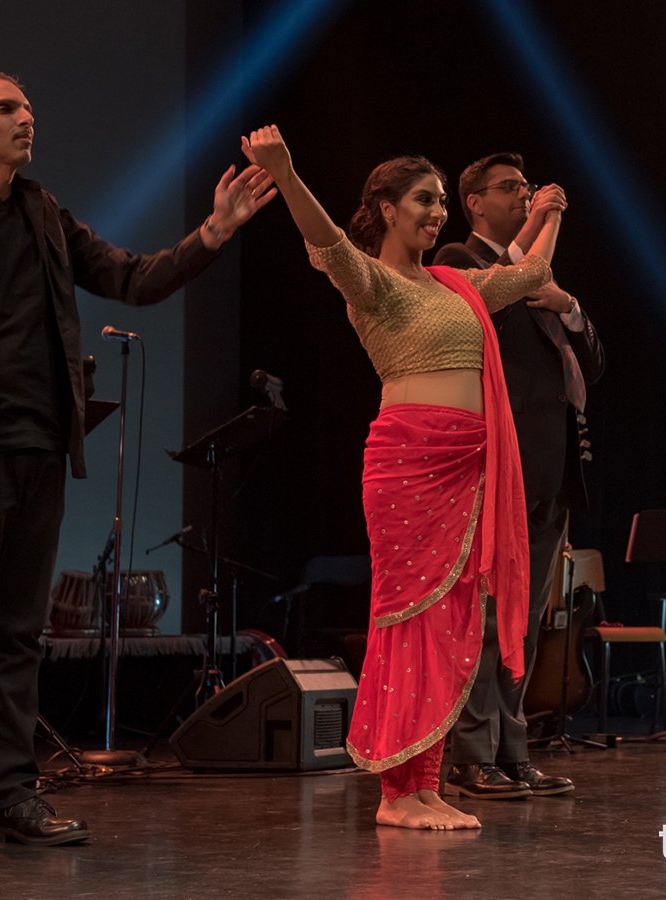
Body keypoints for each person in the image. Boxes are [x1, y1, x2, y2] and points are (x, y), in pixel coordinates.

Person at [0, 73, 275, 856]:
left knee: (17, 636)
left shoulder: (44, 214)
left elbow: (131, 276)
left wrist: (213, 234)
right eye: (7, 109)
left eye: (28, 108)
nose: (27, 118)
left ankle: (10, 798)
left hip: (40, 452)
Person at [241, 125, 568, 830]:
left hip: (468, 464)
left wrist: (549, 217)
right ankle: (396, 792)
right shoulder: (374, 282)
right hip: (410, 465)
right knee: (407, 623)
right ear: (386, 208)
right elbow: (326, 243)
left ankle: (424, 785)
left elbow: (530, 278)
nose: (437, 212)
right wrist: (289, 174)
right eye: (424, 199)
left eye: (443, 200)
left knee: (451, 626)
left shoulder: (453, 283)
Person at [434, 153, 604, 800]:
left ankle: (513, 751)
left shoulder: (536, 280)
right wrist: (543, 224)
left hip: (551, 472)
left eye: (527, 188)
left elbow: (594, 365)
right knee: (484, 618)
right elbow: (498, 303)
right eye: (509, 188)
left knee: (524, 624)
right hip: (495, 468)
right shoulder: (461, 260)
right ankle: (471, 755)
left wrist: (570, 306)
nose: (523, 196)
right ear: (473, 200)